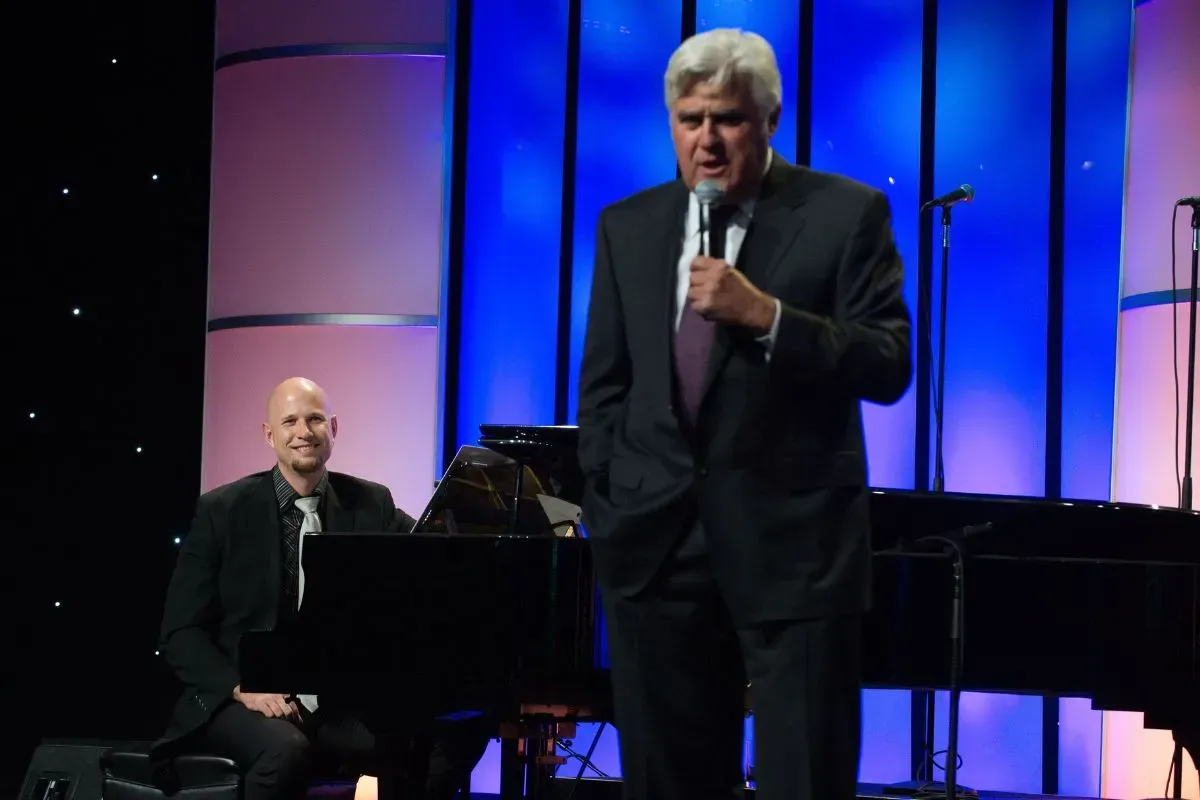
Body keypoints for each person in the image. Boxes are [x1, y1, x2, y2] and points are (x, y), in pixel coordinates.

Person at [576, 28, 912, 800]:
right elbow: (605, 385)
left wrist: (768, 317)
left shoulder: (846, 214)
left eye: (727, 118)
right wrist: (611, 490)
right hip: (655, 547)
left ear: (769, 120)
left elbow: (888, 362)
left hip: (795, 553)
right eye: (690, 119)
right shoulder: (628, 225)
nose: (708, 139)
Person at [153, 377, 489, 800]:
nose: (303, 432)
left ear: (333, 428)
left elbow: (435, 549)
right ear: (269, 434)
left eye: (314, 419)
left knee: (455, 729)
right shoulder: (221, 511)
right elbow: (180, 633)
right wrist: (242, 688)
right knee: (285, 749)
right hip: (240, 699)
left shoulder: (372, 503)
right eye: (289, 421)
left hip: (336, 704)